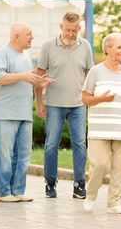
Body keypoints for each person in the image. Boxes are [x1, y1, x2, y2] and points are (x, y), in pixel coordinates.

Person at [0, 22, 54, 202]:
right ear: (17, 36)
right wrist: (24, 76)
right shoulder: (2, 53)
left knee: (23, 155)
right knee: (5, 155)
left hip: (24, 113)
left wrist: (37, 81)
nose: (32, 37)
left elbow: (23, 79)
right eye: (29, 34)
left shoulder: (25, 56)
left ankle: (17, 191)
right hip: (4, 113)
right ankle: (2, 193)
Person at [82, 32, 121, 214]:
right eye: (119, 47)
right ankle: (90, 195)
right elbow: (85, 99)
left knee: (120, 169)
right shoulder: (96, 71)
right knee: (100, 165)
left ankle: (114, 203)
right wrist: (101, 98)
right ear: (108, 49)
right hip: (99, 129)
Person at [35, 12, 94, 199]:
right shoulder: (48, 46)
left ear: (79, 28)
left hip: (78, 105)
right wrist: (39, 103)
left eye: (75, 30)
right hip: (54, 105)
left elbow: (90, 75)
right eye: (68, 30)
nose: (71, 34)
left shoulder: (85, 46)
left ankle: (79, 184)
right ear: (61, 27)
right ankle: (50, 183)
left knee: (80, 145)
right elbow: (39, 76)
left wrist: (90, 99)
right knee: (51, 145)